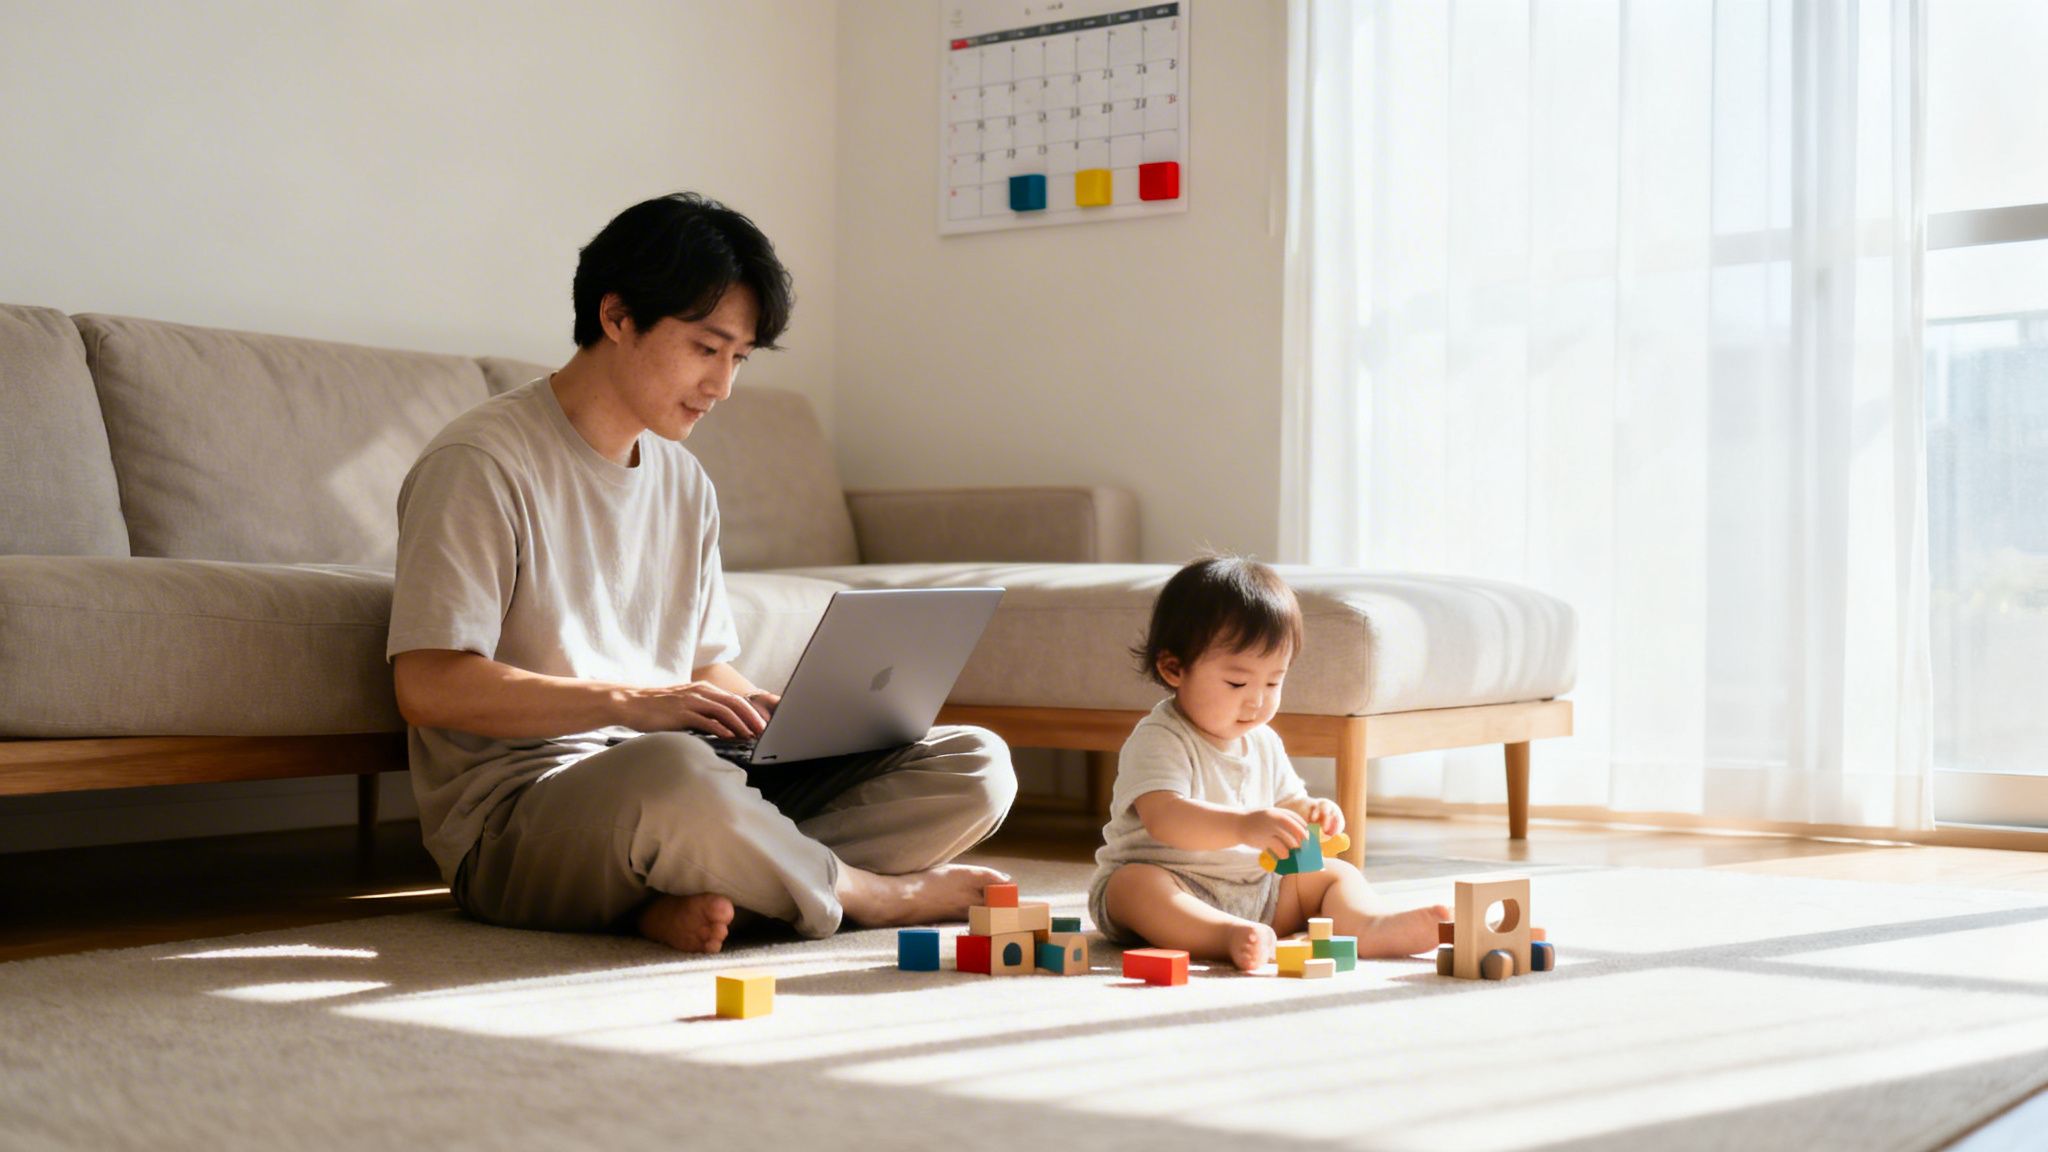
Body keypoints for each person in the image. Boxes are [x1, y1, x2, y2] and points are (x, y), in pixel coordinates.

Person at [387, 192, 1017, 953]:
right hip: (526, 815)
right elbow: (427, 686)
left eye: (739, 358)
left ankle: (718, 896)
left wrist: (767, 711)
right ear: (617, 318)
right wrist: (638, 702)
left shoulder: (683, 481)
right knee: (676, 776)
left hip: (681, 774)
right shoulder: (481, 463)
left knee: (977, 764)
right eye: (705, 349)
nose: (722, 386)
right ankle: (864, 893)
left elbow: (700, 666)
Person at [1088, 555, 1449, 971]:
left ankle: (1371, 925)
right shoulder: (1160, 737)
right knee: (1133, 886)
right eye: (1237, 682)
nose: (1257, 699)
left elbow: (1288, 801)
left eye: (1273, 681)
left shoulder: (1264, 742)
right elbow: (1165, 818)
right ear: (1174, 669)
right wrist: (1244, 825)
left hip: (1258, 892)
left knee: (1334, 873)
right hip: (1171, 881)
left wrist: (1310, 813)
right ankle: (1222, 935)